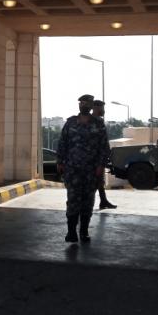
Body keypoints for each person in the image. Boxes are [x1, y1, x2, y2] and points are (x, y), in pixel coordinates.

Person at [56, 94, 111, 243]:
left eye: (86, 103)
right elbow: (62, 142)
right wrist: (60, 162)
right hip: (72, 169)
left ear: (91, 106)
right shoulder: (71, 122)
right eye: (81, 103)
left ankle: (84, 232)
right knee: (72, 200)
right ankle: (71, 232)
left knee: (88, 201)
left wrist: (101, 165)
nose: (83, 105)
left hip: (91, 171)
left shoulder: (98, 124)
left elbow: (104, 147)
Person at [91, 100, 117, 210]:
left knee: (99, 180)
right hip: (93, 158)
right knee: (94, 181)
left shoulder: (99, 121)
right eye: (101, 108)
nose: (103, 110)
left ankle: (103, 201)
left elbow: (104, 140)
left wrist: (107, 154)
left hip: (100, 157)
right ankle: (87, 203)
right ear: (95, 108)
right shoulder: (91, 121)